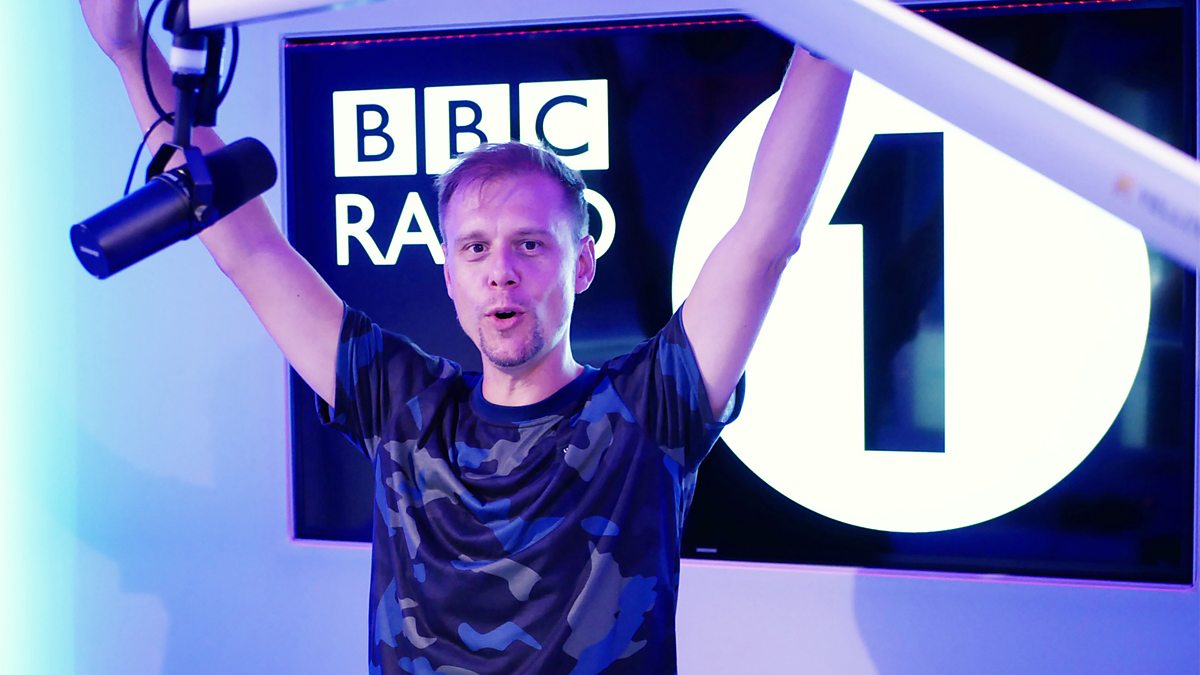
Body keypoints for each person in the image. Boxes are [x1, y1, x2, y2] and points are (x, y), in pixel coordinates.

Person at [81, 0, 852, 671]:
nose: (500, 272)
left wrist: (838, 27)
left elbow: (766, 236)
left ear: (582, 263)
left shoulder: (649, 409)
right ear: (449, 274)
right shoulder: (401, 404)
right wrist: (126, 51)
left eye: (530, 245)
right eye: (475, 248)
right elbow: (250, 249)